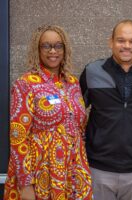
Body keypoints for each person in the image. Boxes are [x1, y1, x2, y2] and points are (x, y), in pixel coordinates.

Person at [4, 25, 93, 200]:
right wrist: (25, 184)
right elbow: (18, 137)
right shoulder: (25, 84)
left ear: (65, 49)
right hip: (40, 174)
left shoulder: (72, 82)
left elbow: (80, 128)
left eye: (58, 46)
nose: (53, 51)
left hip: (73, 171)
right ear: (37, 49)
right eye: (46, 46)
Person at [79, 19, 132, 200]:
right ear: (111, 42)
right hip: (98, 169)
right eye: (120, 40)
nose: (127, 46)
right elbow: (75, 113)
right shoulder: (92, 71)